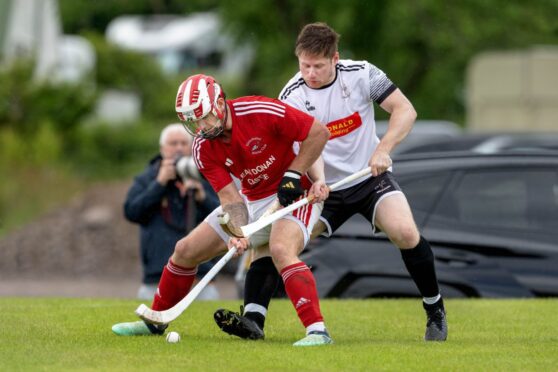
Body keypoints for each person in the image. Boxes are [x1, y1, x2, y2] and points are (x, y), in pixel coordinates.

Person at [214, 22, 448, 342]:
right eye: (304, 65)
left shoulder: (361, 73)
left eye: (318, 66)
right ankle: (254, 318)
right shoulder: (292, 94)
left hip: (369, 178)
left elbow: (405, 110)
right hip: (321, 190)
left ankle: (435, 309)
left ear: (335, 58)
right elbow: (307, 145)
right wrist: (316, 181)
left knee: (405, 232)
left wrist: (383, 149)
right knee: (277, 243)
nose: (310, 73)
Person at [112, 73, 334, 347]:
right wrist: (238, 231)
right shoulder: (203, 147)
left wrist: (293, 174)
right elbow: (229, 196)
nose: (201, 126)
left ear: (219, 103)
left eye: (204, 117)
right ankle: (155, 320)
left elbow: (319, 133)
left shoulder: (260, 110)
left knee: (280, 249)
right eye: (193, 121)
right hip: (249, 201)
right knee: (185, 250)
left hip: (296, 195)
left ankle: (317, 331)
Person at [123, 123, 220, 300]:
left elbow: (228, 214)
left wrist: (202, 197)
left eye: (183, 143)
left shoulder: (206, 175)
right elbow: (131, 212)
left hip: (200, 277)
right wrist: (159, 184)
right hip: (156, 276)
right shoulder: (148, 178)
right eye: (173, 143)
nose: (178, 148)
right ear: (162, 148)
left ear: (191, 147)